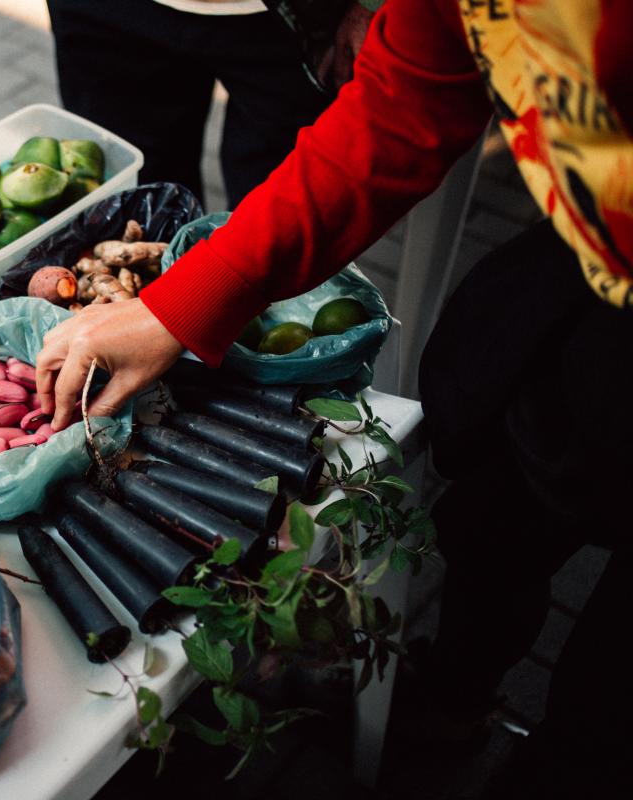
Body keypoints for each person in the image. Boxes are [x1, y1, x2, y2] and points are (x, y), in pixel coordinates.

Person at [37, 1, 631, 793]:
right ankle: (455, 696)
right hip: (592, 245)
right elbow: (404, 105)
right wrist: (176, 308)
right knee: (500, 478)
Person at [46, 0, 381, 207]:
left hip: (294, 17)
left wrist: (375, 2)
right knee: (136, 200)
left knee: (279, 210)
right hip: (102, 13)